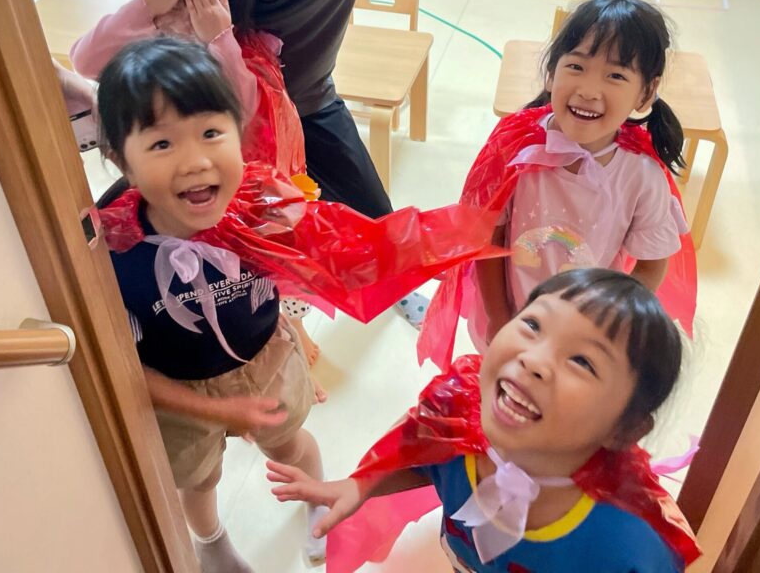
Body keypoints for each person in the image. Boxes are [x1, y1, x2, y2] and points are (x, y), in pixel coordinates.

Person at [94, 36, 501, 570]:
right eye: (162, 144)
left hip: (266, 360)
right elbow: (121, 365)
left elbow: (337, 253)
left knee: (291, 444)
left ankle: (315, 501)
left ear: (239, 134)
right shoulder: (113, 252)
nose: (195, 161)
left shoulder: (260, 208)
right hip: (179, 393)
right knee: (198, 477)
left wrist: (453, 239)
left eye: (211, 133)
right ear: (119, 158)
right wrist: (217, 409)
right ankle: (212, 541)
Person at [138, 0, 493, 324]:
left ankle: (386, 294)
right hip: (212, 99)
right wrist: (151, 55)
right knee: (219, 232)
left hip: (303, 93)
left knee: (374, 219)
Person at [268, 268, 701, 573]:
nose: (534, 360)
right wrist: (362, 486)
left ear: (625, 430)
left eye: (583, 362)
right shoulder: (457, 425)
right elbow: (423, 459)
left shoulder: (628, 545)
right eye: (533, 325)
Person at [71, 0, 323, 370]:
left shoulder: (239, 53)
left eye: (193, 9)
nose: (177, 22)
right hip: (181, 196)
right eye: (170, 6)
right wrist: (144, 7)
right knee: (208, 279)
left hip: (245, 192)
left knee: (272, 272)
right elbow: (86, 61)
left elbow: (243, 106)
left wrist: (217, 37)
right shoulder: (150, 47)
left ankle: (291, 328)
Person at [417, 0, 698, 371]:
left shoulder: (643, 176)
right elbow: (489, 238)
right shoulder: (519, 150)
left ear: (646, 92)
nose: (588, 90)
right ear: (551, 72)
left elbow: (650, 267)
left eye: (615, 76)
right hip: (508, 318)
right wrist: (501, 318)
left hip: (579, 338)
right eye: (576, 66)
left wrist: (605, 321)